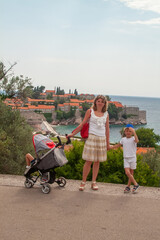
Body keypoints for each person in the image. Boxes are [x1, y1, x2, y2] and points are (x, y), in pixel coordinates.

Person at [67, 95, 110, 191]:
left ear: (104, 103)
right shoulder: (90, 112)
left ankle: (94, 182)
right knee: (88, 161)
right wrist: (73, 134)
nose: (100, 103)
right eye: (98, 101)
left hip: (101, 139)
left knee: (97, 161)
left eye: (102, 101)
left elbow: (107, 129)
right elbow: (82, 124)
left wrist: (108, 143)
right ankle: (83, 182)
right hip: (92, 138)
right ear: (95, 102)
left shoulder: (106, 114)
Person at [112, 124, 140, 193]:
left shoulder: (133, 138)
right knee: (127, 172)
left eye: (130, 131)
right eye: (127, 131)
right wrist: (110, 147)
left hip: (132, 157)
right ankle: (136, 184)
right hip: (126, 158)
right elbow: (118, 145)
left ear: (132, 132)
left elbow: (137, 141)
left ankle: (128, 186)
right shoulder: (123, 139)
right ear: (124, 132)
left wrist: (134, 132)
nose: (128, 132)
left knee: (131, 173)